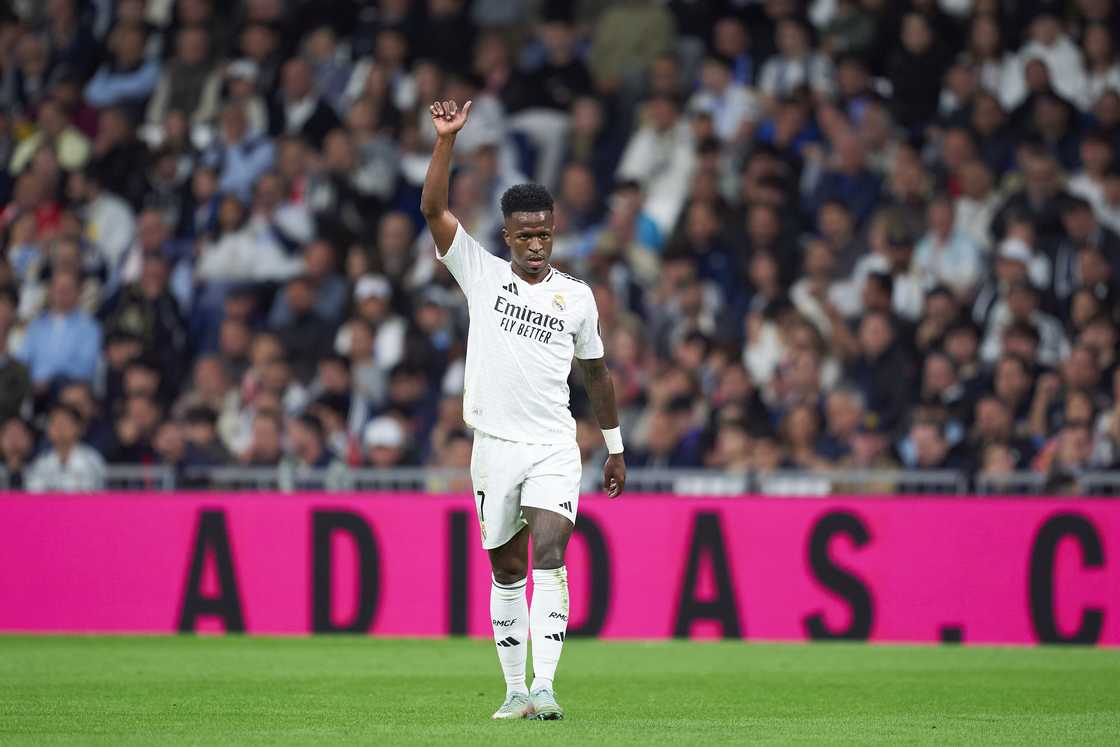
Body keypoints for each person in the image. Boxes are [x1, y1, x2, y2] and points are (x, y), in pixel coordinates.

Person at [420, 98, 626, 721]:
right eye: (525, 234)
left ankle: (547, 686)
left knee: (549, 553)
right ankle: (514, 691)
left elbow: (596, 374)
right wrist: (447, 142)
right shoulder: (480, 274)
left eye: (545, 233)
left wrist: (615, 447)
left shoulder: (576, 297)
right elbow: (433, 209)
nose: (536, 244)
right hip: (494, 447)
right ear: (507, 236)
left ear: (553, 232)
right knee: (507, 569)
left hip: (554, 446)